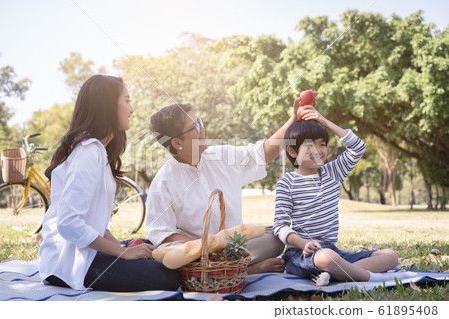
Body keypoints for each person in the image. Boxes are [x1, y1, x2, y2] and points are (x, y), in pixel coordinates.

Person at [38, 75, 180, 292]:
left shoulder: (97, 151)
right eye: (127, 100)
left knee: (151, 246)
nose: (131, 109)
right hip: (71, 264)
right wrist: (122, 252)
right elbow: (68, 223)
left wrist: (125, 248)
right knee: (167, 276)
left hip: (87, 254)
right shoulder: (88, 151)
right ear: (107, 107)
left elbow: (93, 224)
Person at [146, 101, 304, 274]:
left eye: (200, 122)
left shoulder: (221, 156)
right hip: (198, 254)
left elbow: (262, 153)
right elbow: (162, 235)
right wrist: (206, 246)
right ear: (177, 143)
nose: (202, 129)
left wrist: (293, 120)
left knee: (275, 237)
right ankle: (245, 269)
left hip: (236, 246)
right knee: (174, 254)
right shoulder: (163, 182)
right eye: (195, 127)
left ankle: (230, 267)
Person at [273, 104, 416, 286]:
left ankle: (335, 274)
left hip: (332, 251)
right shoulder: (287, 183)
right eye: (310, 145)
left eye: (322, 144)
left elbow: (358, 148)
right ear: (293, 151)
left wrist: (323, 121)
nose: (318, 150)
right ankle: (372, 278)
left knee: (390, 256)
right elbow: (280, 226)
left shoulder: (332, 173)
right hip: (302, 254)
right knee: (326, 258)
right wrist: (303, 244)